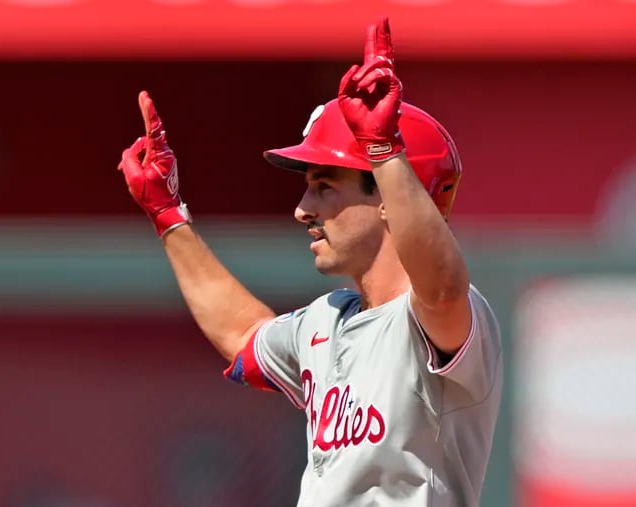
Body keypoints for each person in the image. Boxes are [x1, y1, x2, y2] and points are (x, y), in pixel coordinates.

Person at [117, 17, 502, 507]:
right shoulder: (326, 320)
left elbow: (442, 287)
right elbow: (243, 337)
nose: (303, 208)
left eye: (324, 187)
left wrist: (384, 153)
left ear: (387, 195)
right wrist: (169, 217)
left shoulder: (439, 320)